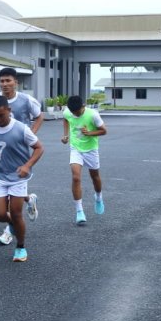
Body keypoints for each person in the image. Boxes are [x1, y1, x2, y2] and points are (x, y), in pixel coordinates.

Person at [0, 95, 44, 262]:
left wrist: (27, 166)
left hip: (17, 177)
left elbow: (39, 148)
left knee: (16, 214)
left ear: (9, 110)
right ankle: (13, 225)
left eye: (1, 114)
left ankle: (21, 246)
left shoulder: (21, 128)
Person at [61, 95, 107, 225]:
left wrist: (90, 133)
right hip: (76, 149)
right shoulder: (68, 112)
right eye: (73, 112)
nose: (75, 115)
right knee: (76, 177)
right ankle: (79, 211)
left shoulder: (93, 115)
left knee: (95, 177)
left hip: (91, 149)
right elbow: (65, 119)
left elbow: (104, 131)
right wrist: (65, 135)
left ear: (83, 106)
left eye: (77, 112)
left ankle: (98, 197)